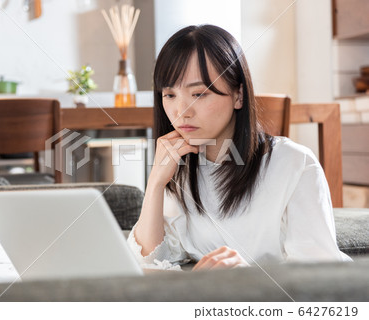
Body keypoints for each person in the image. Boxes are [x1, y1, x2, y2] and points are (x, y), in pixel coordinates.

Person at [127, 24, 350, 270]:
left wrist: (247, 279)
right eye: (169, 95)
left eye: (199, 94)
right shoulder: (179, 166)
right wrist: (156, 182)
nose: (181, 112)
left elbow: (321, 278)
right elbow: (148, 263)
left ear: (238, 95)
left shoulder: (295, 165)